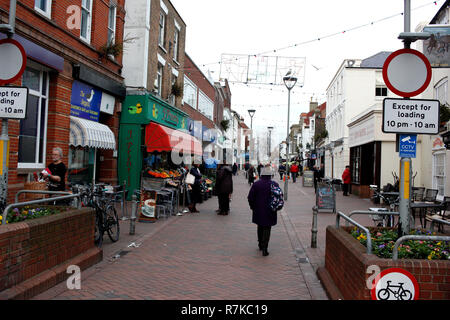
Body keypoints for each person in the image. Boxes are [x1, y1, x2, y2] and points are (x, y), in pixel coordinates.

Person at [247, 165, 279, 256]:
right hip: (270, 210)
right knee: (267, 228)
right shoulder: (274, 184)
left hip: (258, 209)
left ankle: (260, 244)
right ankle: (265, 247)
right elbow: (278, 197)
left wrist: (252, 207)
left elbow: (250, 197)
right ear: (270, 175)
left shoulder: (256, 184)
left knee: (260, 226)